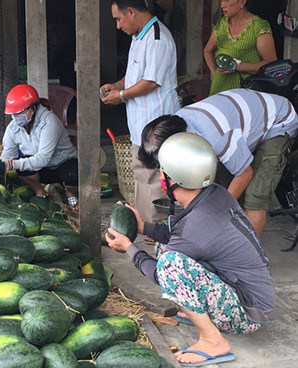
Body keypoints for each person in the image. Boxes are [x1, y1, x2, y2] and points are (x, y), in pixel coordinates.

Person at [106, 132, 274, 367]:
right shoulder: (214, 193)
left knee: (169, 264)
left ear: (172, 179)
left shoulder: (197, 227)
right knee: (166, 247)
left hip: (247, 313)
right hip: (246, 289)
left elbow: (160, 275)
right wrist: (144, 226)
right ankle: (197, 309)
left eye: (162, 171)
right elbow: (179, 237)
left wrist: (130, 248)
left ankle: (212, 340)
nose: (160, 176)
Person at [138, 88, 298, 236]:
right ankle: (230, 239)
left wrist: (216, 210)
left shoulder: (218, 136)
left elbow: (245, 174)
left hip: (279, 119)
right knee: (222, 185)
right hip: (241, 117)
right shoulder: (177, 126)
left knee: (255, 195)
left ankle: (250, 260)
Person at [100, 0, 179, 223]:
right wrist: (117, 86)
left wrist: (122, 96)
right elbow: (134, 75)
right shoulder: (138, 37)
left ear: (132, 12)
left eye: (118, 19)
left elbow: (151, 82)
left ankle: (157, 226)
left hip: (156, 121)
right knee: (140, 174)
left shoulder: (157, 38)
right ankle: (144, 223)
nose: (118, 25)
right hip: (140, 123)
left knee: (155, 176)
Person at [0, 84, 79, 210]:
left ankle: (70, 193)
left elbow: (43, 159)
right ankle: (40, 192)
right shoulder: (13, 128)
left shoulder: (50, 123)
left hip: (62, 164)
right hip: (42, 170)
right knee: (22, 169)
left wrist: (11, 164)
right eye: (13, 114)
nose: (15, 117)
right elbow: (8, 154)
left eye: (19, 113)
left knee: (72, 175)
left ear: (32, 109)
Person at [204, 0, 277, 95]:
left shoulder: (258, 26)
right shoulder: (221, 24)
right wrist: (215, 74)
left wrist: (238, 66)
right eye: (221, 1)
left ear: (242, 2)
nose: (222, 5)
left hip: (246, 91)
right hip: (219, 89)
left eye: (227, 0)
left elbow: (271, 64)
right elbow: (208, 51)